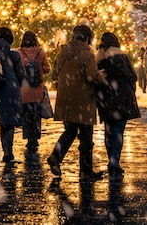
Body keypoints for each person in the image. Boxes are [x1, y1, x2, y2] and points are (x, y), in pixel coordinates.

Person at [48, 24, 103, 181]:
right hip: (83, 99)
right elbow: (91, 77)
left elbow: (54, 75)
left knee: (70, 132)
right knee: (86, 137)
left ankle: (56, 156)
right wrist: (99, 75)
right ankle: (86, 171)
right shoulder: (87, 54)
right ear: (87, 38)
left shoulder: (62, 52)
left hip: (66, 99)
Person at [95, 31, 140, 179]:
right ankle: (114, 162)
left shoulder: (98, 59)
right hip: (122, 97)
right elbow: (132, 76)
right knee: (119, 131)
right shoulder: (121, 56)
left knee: (108, 131)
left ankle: (111, 159)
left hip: (105, 97)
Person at [0, 26, 25, 167]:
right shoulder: (14, 55)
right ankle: (7, 152)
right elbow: (22, 75)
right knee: (9, 123)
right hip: (11, 90)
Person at [18, 30, 51, 158]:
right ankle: (35, 138)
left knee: (27, 116)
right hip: (37, 90)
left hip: (25, 91)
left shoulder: (19, 53)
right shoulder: (41, 52)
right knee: (36, 116)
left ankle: (28, 138)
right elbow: (47, 68)